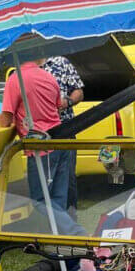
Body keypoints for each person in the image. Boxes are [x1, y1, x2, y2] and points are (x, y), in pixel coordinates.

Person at [0, 59, 79, 234]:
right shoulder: (48, 77)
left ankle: (76, 234)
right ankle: (61, 241)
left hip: (41, 145)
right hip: (60, 140)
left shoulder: (15, 79)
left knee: (40, 200)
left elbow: (5, 120)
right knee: (58, 198)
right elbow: (57, 106)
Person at [41, 56, 84, 213]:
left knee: (68, 179)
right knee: (44, 181)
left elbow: (79, 92)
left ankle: (71, 221)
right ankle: (48, 225)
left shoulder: (60, 63)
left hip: (65, 129)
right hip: (39, 133)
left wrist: (66, 102)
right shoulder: (24, 69)